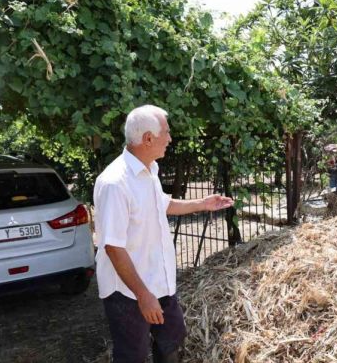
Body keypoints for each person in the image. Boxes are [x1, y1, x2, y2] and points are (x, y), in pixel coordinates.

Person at [93, 105, 233, 363]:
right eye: (166, 133)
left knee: (172, 339)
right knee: (132, 355)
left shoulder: (150, 170)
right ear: (148, 138)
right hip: (127, 291)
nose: (169, 139)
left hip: (159, 281)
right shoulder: (115, 183)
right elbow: (113, 246)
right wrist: (143, 296)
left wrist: (203, 203)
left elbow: (162, 204)